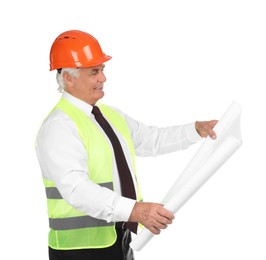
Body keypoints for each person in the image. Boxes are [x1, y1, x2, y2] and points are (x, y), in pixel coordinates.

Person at [35, 29, 218, 260]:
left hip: (119, 239)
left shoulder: (110, 116)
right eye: (94, 72)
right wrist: (135, 210)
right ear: (68, 78)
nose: (103, 78)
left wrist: (195, 130)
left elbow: (151, 139)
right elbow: (76, 189)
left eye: (102, 70)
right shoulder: (59, 127)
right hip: (79, 251)